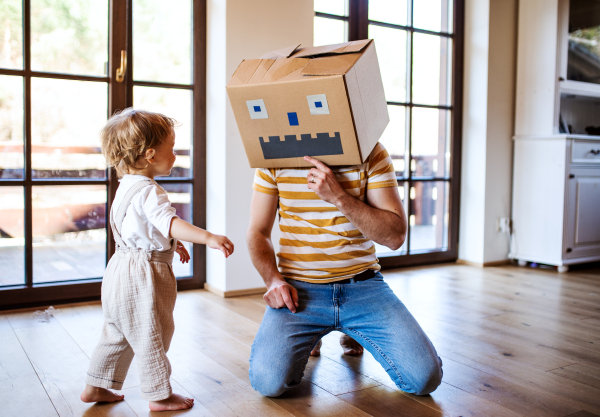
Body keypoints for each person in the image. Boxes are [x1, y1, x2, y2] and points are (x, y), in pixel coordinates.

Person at [247, 143, 442, 397]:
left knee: (424, 378)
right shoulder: (272, 155)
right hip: (300, 293)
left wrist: (339, 196)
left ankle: (353, 331)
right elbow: (257, 232)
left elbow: (395, 237)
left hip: (364, 288)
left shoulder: (371, 151)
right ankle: (315, 335)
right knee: (268, 383)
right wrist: (272, 280)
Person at [80, 109, 234, 412]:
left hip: (119, 267)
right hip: (144, 275)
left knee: (117, 331)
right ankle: (159, 395)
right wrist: (208, 237)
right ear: (150, 154)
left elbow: (139, 228)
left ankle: (95, 385)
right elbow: (169, 222)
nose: (175, 155)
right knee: (152, 332)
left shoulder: (126, 187)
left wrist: (171, 247)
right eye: (172, 149)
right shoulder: (151, 191)